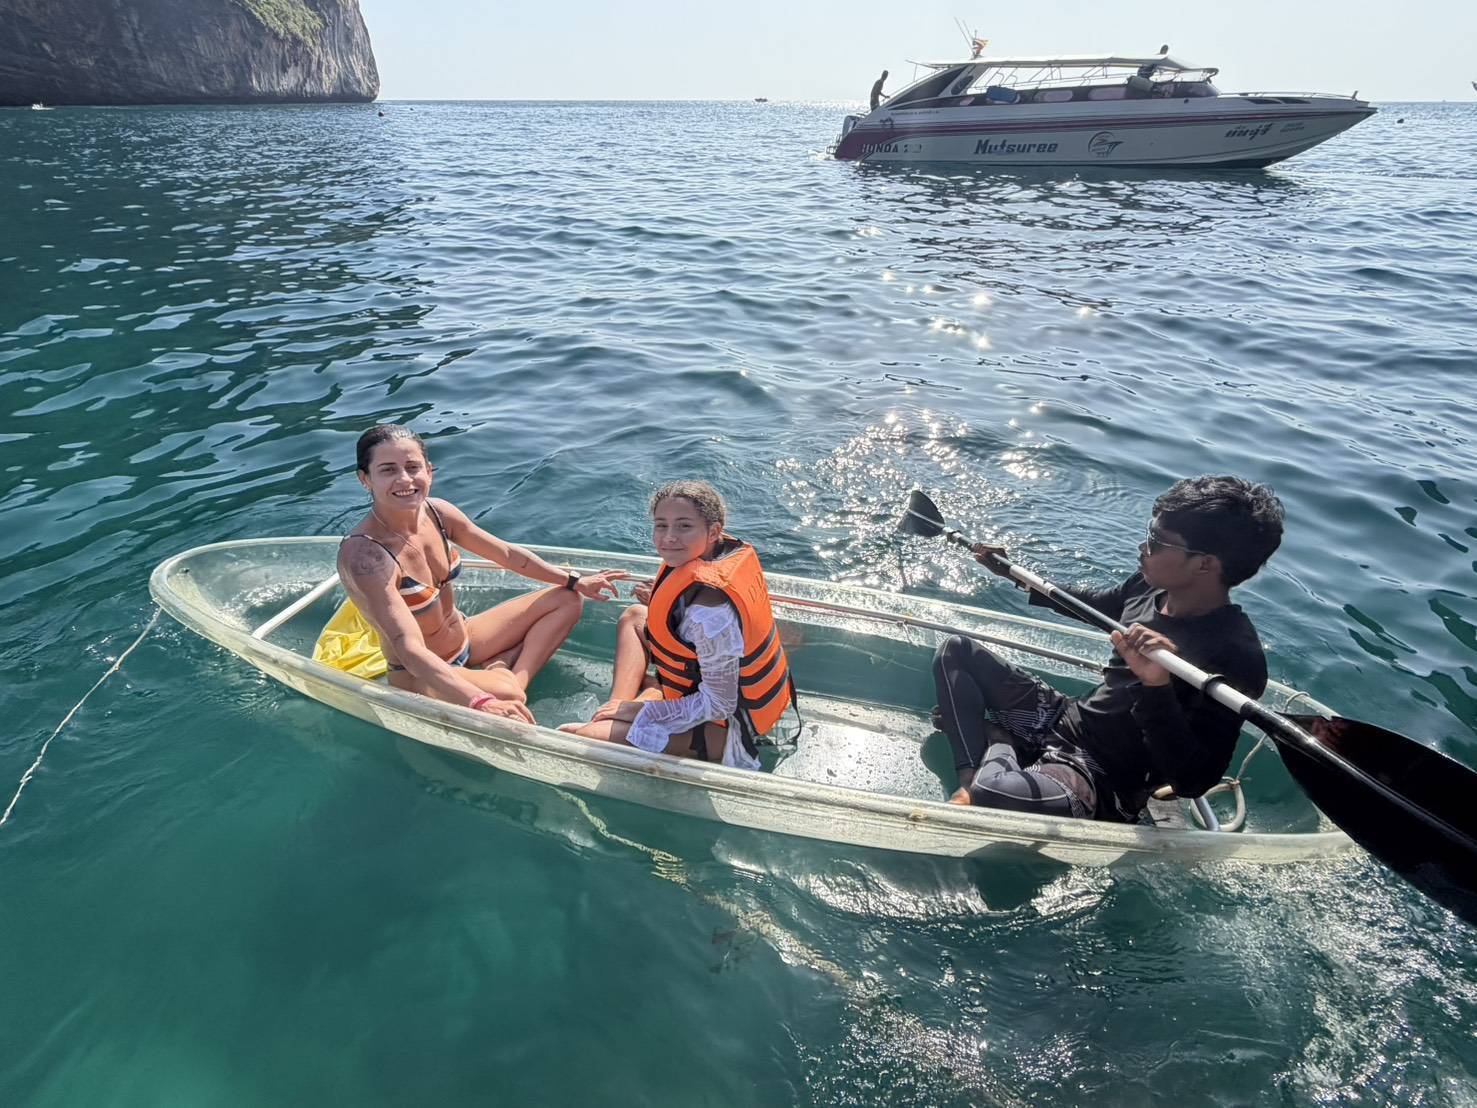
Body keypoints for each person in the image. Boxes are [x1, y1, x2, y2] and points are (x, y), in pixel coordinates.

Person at [933, 476, 1284, 822]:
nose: (1142, 548)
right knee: (956, 650)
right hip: (1063, 719)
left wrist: (1156, 686)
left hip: (1104, 777)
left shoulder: (1236, 656)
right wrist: (1013, 574)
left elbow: (1194, 780)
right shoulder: (1147, 587)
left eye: (1156, 541)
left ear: (1204, 564)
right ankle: (973, 776)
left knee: (994, 792)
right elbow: (1091, 605)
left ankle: (997, 744)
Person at [337, 425, 626, 721]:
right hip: (420, 673)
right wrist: (479, 701)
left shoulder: (438, 513)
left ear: (429, 471)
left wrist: (576, 580)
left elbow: (508, 554)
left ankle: (509, 675)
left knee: (567, 599)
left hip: (465, 637)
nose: (404, 479)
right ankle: (503, 679)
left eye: (413, 467)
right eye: (388, 470)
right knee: (509, 696)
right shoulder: (366, 557)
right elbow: (408, 649)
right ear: (365, 479)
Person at [561, 481, 796, 768]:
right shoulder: (707, 558)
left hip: (728, 726)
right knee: (635, 616)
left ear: (714, 531)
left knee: (583, 738)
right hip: (696, 688)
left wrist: (640, 712)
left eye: (684, 526)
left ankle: (621, 713)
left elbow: (720, 704)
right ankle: (615, 708)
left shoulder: (711, 616)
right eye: (661, 525)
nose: (669, 537)